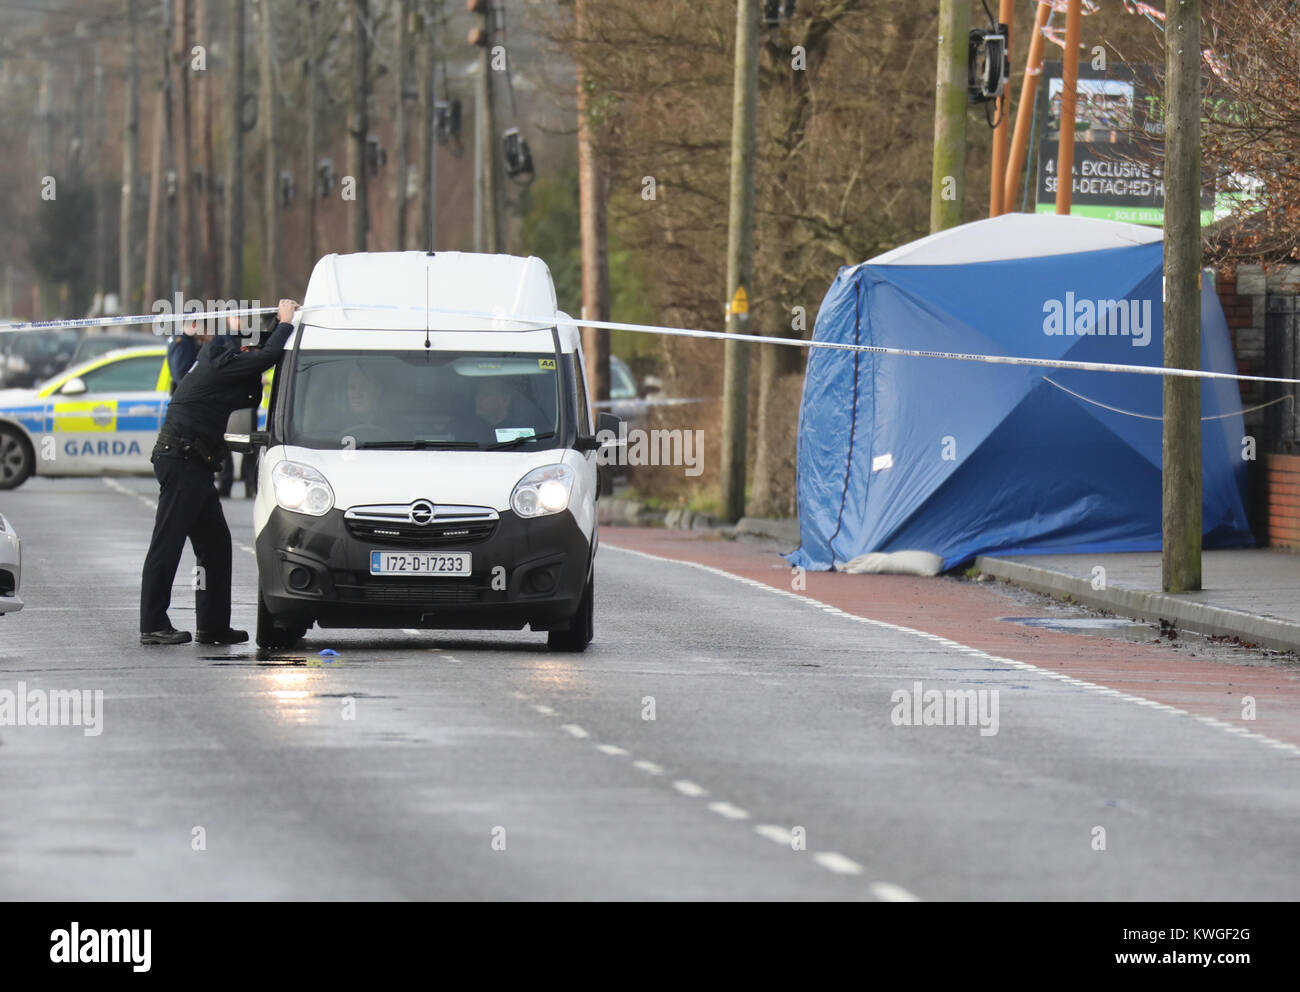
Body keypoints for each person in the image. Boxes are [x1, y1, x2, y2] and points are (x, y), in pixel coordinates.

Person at [139, 299, 299, 646]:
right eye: (245, 344)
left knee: (214, 546)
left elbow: (253, 385)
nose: (249, 349)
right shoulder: (218, 357)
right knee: (167, 543)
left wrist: (275, 329)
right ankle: (152, 623)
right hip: (181, 460)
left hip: (194, 462)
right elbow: (263, 358)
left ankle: (212, 625)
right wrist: (284, 325)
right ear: (236, 345)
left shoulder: (225, 360)